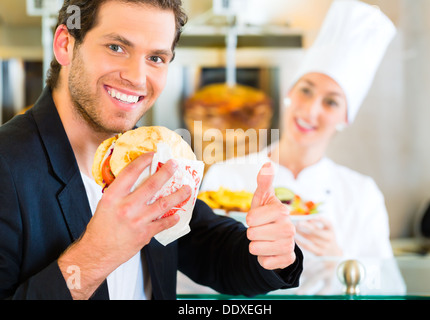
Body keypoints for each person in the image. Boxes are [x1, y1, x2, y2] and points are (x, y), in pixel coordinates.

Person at [0, 0, 303, 300]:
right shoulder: (7, 165)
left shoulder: (150, 155)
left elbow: (209, 246)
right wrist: (94, 257)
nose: (137, 77)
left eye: (156, 58)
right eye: (116, 47)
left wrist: (270, 251)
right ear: (65, 44)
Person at [199, 0, 405, 295]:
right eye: (305, 90)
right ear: (289, 93)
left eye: (331, 101)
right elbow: (195, 279)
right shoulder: (225, 177)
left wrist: (341, 262)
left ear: (345, 117)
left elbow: (394, 290)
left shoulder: (361, 194)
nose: (310, 111)